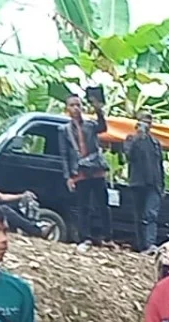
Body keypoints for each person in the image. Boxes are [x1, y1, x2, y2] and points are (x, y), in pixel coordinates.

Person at [60, 95, 112, 243]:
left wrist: (98, 110)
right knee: (83, 206)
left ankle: (107, 237)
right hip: (80, 172)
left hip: (96, 170)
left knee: (103, 205)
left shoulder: (90, 125)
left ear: (82, 107)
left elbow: (103, 127)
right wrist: (68, 177)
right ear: (67, 109)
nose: (76, 108)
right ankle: (85, 237)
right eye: (72, 105)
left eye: (78, 105)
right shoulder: (64, 130)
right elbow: (64, 155)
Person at [124, 111, 165, 251]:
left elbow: (160, 165)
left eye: (149, 120)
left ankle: (150, 244)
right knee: (139, 215)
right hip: (138, 183)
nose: (146, 123)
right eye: (143, 120)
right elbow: (128, 156)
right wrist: (138, 138)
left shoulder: (155, 143)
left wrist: (162, 186)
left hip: (154, 184)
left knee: (151, 214)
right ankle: (141, 246)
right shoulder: (131, 139)